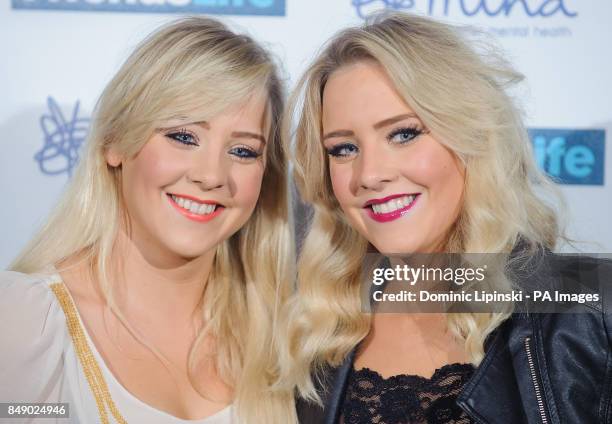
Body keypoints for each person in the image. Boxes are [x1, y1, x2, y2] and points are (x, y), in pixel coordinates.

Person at [278, 12, 612, 424]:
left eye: (403, 134)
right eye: (344, 148)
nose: (369, 174)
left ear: (471, 138)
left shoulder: (589, 311)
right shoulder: (320, 331)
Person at [0, 17, 296, 424]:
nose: (211, 175)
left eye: (243, 151)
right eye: (183, 136)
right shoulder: (27, 321)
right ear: (115, 143)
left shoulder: (282, 332)